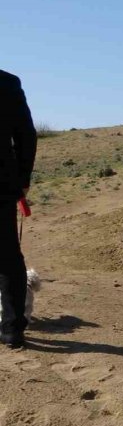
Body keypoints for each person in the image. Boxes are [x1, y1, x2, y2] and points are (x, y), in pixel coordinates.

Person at [0, 70, 37, 348]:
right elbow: (26, 135)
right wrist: (22, 180)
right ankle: (12, 329)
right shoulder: (8, 83)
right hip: (1, 182)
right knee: (8, 255)